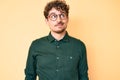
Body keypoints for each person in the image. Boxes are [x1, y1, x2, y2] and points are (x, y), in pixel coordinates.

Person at [24, 0, 89, 80]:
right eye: (53, 16)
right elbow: (30, 76)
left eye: (62, 15)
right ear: (47, 21)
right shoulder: (36, 45)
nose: (59, 20)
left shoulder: (79, 46)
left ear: (67, 19)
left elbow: (84, 77)